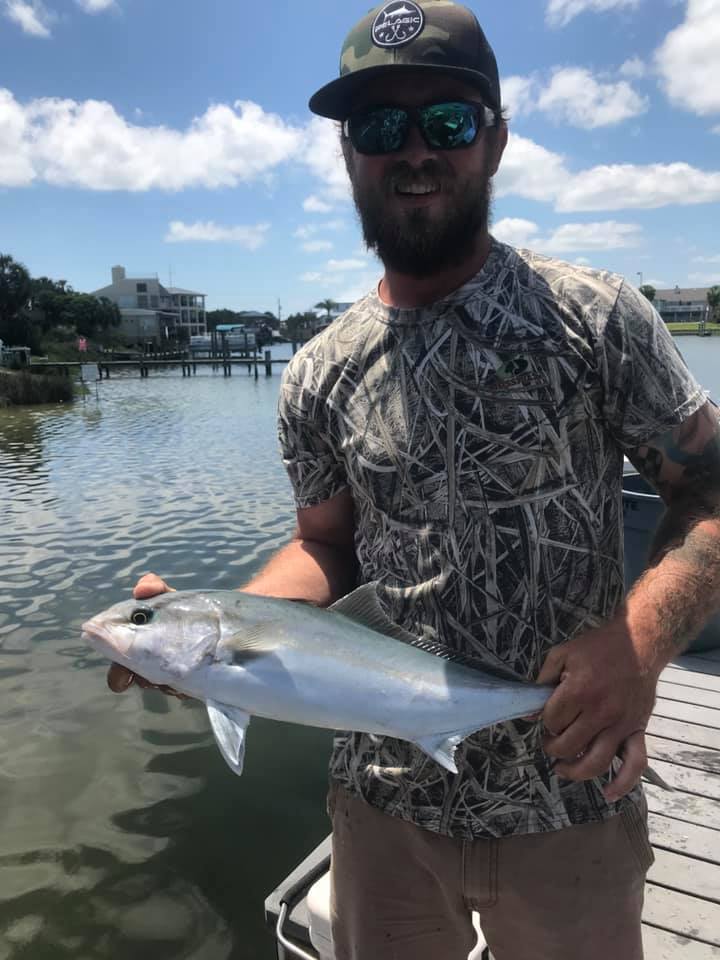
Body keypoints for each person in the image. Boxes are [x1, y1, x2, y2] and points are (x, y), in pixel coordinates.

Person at [109, 2, 720, 958]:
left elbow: (711, 487)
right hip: (379, 812)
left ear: (497, 140)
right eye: (380, 128)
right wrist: (212, 628)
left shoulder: (596, 317)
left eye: (447, 120)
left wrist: (639, 644)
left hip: (568, 798)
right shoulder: (317, 368)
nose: (414, 152)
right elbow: (325, 544)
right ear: (350, 155)